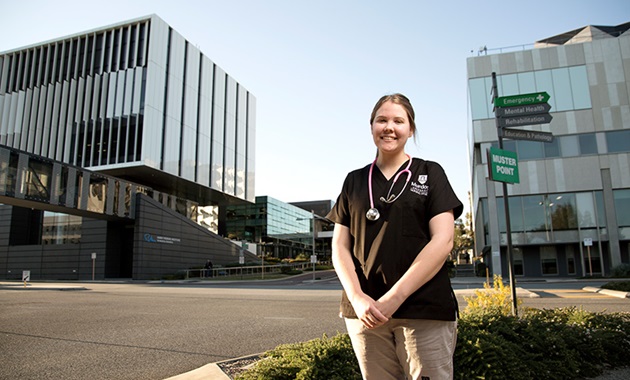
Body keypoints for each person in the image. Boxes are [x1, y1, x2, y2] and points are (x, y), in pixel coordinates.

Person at [326, 93, 463, 380]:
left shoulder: (430, 173)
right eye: (382, 120)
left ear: (410, 129)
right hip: (366, 313)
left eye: (398, 121)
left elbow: (443, 241)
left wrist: (394, 298)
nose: (389, 127)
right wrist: (357, 298)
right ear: (372, 126)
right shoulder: (354, 181)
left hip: (423, 309)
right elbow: (339, 246)